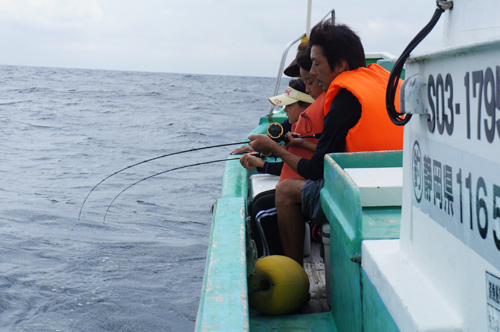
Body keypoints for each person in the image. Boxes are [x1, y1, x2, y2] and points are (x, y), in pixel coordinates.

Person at [248, 21, 404, 264]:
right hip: (397, 182)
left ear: (340, 65)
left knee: (286, 190)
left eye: (317, 65)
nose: (314, 72)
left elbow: (316, 170)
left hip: (358, 193)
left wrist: (275, 149)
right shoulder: (383, 80)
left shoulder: (343, 99)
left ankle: (294, 277)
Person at [245, 52, 327, 258]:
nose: (284, 110)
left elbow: (310, 166)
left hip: (315, 185)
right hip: (308, 182)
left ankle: (281, 268)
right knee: (259, 203)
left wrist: (263, 164)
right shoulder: (299, 124)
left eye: (288, 105)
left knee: (262, 210)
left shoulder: (313, 121)